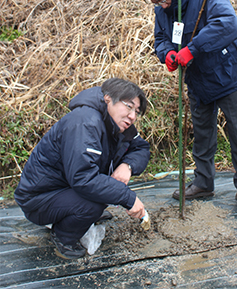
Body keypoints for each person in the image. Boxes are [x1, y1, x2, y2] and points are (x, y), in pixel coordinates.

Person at [140, 0, 237, 217]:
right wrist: (168, 54)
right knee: (202, 133)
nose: (161, 5)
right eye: (155, 3)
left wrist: (192, 49)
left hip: (229, 72)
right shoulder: (163, 9)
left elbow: (227, 24)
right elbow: (160, 39)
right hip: (198, 78)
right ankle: (204, 183)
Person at [14, 78, 150, 259]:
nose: (132, 116)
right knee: (93, 203)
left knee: (105, 191)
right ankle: (63, 236)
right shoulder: (85, 122)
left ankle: (77, 213)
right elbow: (83, 178)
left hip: (66, 187)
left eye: (136, 111)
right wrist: (128, 197)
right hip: (39, 198)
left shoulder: (116, 125)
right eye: (128, 106)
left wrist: (128, 166)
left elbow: (141, 148)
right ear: (108, 99)